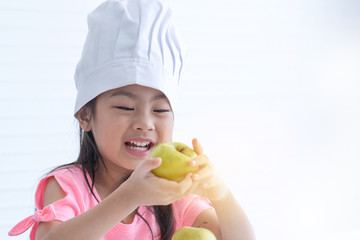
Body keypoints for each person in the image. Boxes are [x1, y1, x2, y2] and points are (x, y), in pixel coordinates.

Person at [9, 0, 255, 239]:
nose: (145, 123)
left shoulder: (174, 194)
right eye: (126, 107)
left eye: (159, 110)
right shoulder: (67, 186)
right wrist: (130, 195)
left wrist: (221, 195)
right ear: (86, 116)